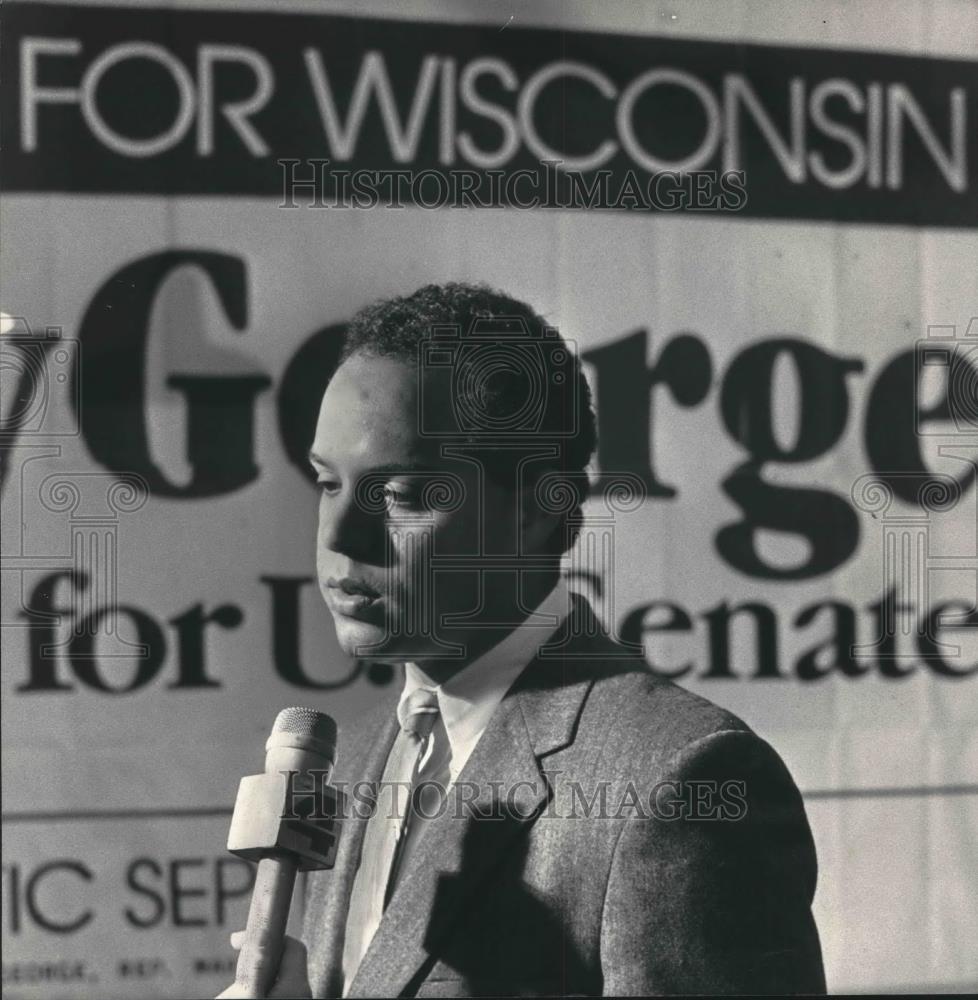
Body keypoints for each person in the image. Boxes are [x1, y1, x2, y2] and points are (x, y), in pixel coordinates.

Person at [224, 282, 825, 997]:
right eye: (327, 483)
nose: (337, 538)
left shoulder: (678, 776)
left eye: (405, 496)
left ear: (543, 512)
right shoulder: (354, 760)